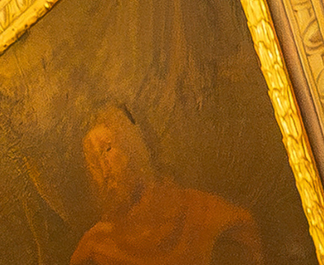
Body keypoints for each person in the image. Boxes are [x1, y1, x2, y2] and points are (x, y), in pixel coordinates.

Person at [71, 106, 263, 265]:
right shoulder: (96, 245)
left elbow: (241, 230)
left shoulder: (196, 211)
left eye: (107, 149)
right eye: (93, 160)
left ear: (132, 147)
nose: (103, 168)